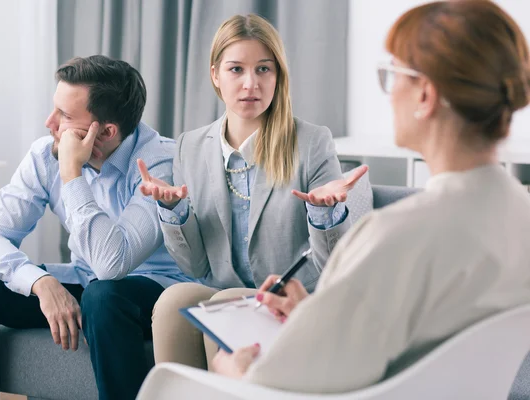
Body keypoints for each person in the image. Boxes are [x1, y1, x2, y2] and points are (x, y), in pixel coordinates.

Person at [208, 0, 530, 394]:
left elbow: (280, 386)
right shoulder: (519, 215)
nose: (390, 93)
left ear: (425, 95)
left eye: (392, 75)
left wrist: (232, 377)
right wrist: (315, 314)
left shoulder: (394, 237)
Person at [0, 55, 194, 399]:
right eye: (54, 109)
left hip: (155, 291)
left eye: (65, 116)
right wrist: (41, 283)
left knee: (104, 297)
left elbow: (111, 265)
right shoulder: (45, 154)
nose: (49, 122)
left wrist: (72, 174)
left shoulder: (161, 162)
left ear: (104, 132)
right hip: (86, 282)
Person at [139, 13, 368, 369]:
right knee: (174, 299)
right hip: (221, 289)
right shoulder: (190, 146)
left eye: (264, 69)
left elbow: (329, 266)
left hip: (288, 297)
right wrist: (174, 212)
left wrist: (325, 213)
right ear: (215, 74)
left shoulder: (311, 142)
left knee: (230, 302)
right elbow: (194, 264)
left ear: (278, 76)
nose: (251, 84)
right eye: (236, 70)